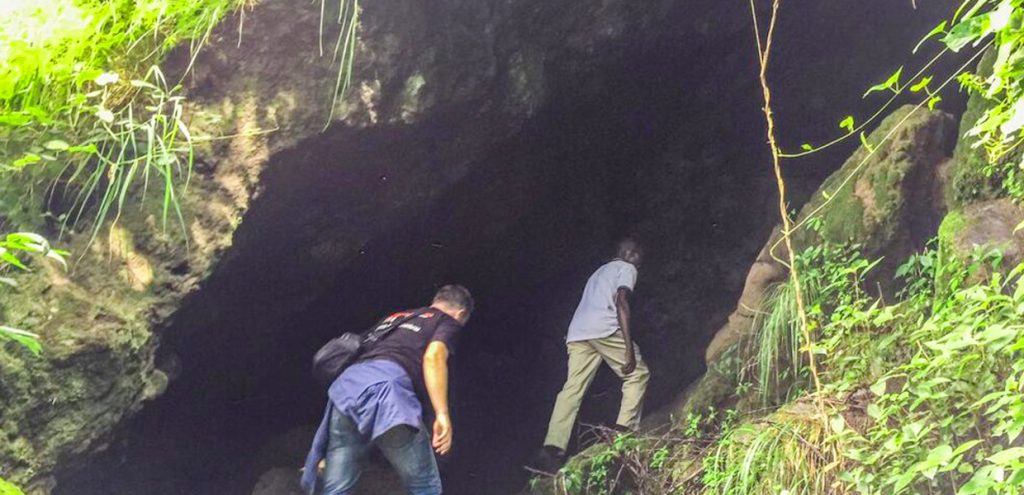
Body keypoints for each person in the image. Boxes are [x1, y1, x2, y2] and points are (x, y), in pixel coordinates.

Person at [301, 285, 474, 495]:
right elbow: (434, 357)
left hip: (346, 391)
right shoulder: (446, 321)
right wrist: (442, 414)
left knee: (336, 489)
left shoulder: (398, 317)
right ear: (461, 313)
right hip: (385, 393)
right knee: (425, 485)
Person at [528, 239, 650, 473]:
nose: (635, 257)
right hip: (603, 327)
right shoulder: (627, 269)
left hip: (578, 332)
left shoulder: (598, 272)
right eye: (632, 253)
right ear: (625, 253)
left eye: (638, 254)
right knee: (638, 374)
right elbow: (621, 302)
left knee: (572, 388)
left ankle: (552, 449)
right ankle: (624, 433)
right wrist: (627, 348)